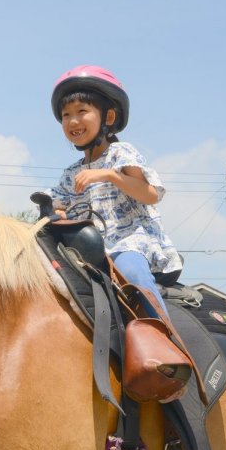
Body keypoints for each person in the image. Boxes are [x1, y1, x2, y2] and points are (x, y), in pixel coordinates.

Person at [48, 65, 181, 318]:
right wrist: (56, 212)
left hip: (128, 243)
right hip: (86, 253)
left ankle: (165, 339)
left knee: (131, 273)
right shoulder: (70, 173)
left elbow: (150, 194)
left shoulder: (122, 154)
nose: (73, 120)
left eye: (82, 111)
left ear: (108, 118)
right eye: (66, 114)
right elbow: (59, 204)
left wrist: (110, 175)